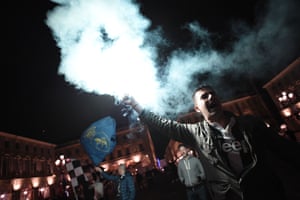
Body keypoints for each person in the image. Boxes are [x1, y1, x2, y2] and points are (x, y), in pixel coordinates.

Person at [122, 84, 300, 200]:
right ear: (197, 108)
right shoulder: (195, 132)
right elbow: (164, 124)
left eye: (212, 94)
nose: (210, 98)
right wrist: (137, 105)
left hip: (267, 194)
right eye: (204, 97)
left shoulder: (250, 123)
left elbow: (285, 149)